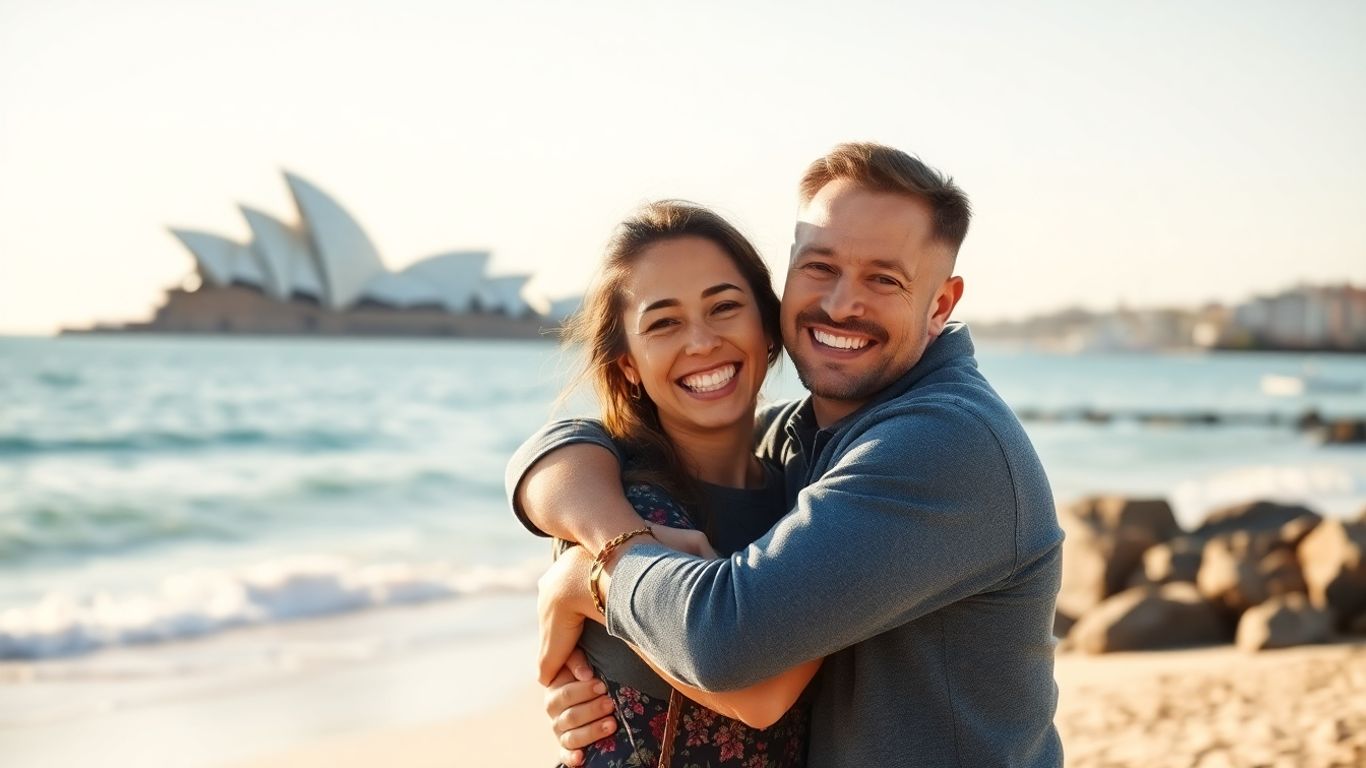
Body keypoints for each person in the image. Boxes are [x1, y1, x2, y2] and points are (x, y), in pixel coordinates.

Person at [508, 142, 1065, 767]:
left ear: (940, 304)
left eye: (883, 278)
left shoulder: (941, 444)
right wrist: (599, 524)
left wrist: (594, 574)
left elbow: (726, 645)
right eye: (820, 267)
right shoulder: (801, 440)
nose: (839, 304)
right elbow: (566, 447)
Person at [520, 200, 819, 766]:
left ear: (768, 325)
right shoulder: (622, 502)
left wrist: (587, 580)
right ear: (628, 363)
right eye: (663, 323)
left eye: (725, 307)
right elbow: (752, 694)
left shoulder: (808, 499)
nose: (701, 342)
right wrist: (606, 559)